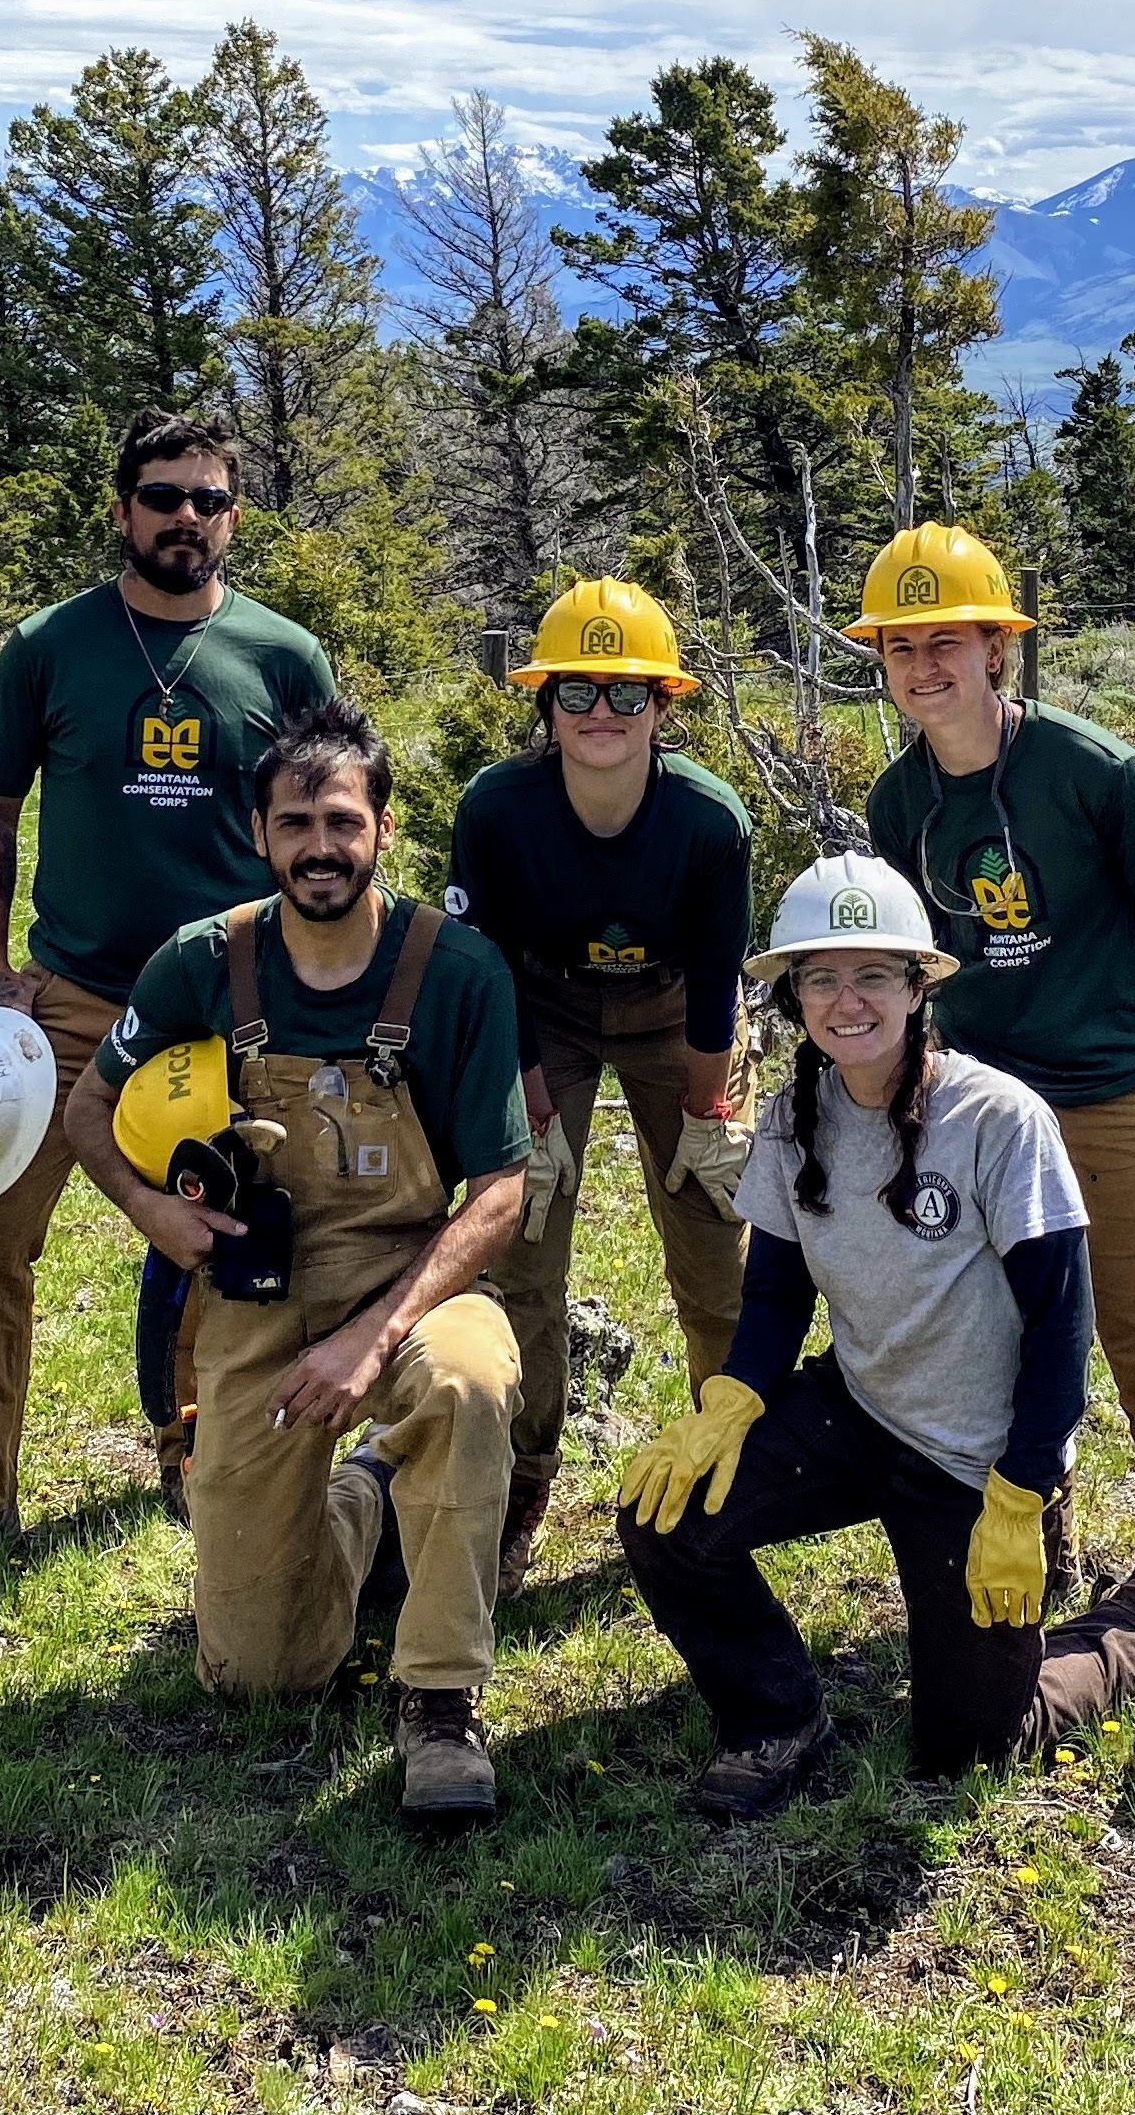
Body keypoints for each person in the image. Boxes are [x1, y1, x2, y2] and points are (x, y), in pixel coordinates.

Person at [616, 854, 1135, 1818]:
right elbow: (776, 1291)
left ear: (920, 985)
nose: (848, 1001)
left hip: (979, 1462)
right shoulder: (799, 1116)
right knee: (663, 1519)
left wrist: (1022, 1487)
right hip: (859, 1410)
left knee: (976, 1749)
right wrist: (733, 1398)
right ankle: (777, 1717)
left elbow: (1060, 1324)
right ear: (793, 993)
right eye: (821, 976)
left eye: (875, 974)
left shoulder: (999, 1119)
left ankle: (1133, 1620)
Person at [0, 413, 336, 1580]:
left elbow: (331, 820)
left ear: (234, 515)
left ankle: (197, 1455)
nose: (187, 517)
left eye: (209, 499)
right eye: (163, 495)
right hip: (66, 1010)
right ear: (121, 508)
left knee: (217, 1245)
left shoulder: (285, 658)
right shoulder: (50, 646)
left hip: (224, 1010)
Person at [67, 699, 534, 1821]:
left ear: (381, 827)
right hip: (259, 1298)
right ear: (259, 833)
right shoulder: (203, 962)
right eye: (294, 823)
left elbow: (503, 1194)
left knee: (468, 1386)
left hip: (418, 1286)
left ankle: (441, 1706)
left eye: (341, 819)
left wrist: (371, 1341)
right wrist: (150, 1212)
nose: (319, 847)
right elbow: (87, 1107)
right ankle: (367, 1498)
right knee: (259, 1674)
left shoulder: (458, 971)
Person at [851, 522, 1135, 1697]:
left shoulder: (1096, 773)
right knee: (1005, 1345)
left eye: (947, 641)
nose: (923, 667)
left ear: (999, 648)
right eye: (899, 648)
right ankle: (1040, 1549)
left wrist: (1091, 1007)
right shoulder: (901, 804)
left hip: (1115, 1098)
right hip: (983, 1108)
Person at [442, 577, 753, 1594]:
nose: (601, 715)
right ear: (544, 703)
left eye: (628, 694)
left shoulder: (709, 821)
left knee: (716, 1248)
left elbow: (716, 986)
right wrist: (530, 1107)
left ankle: (727, 1463)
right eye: (578, 691)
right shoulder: (497, 809)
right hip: (544, 1010)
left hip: (676, 1016)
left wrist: (709, 1114)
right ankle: (527, 1474)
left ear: (665, 706)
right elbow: (484, 966)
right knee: (524, 1245)